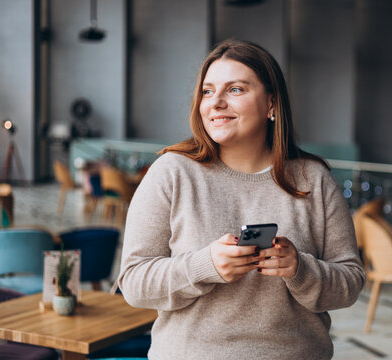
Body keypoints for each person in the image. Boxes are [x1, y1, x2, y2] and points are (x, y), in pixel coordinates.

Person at [118, 39, 365, 359]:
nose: (216, 102)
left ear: (272, 104)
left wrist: (299, 269)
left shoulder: (313, 179)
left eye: (235, 89)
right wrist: (205, 266)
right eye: (207, 91)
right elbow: (134, 284)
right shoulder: (171, 172)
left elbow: (351, 282)